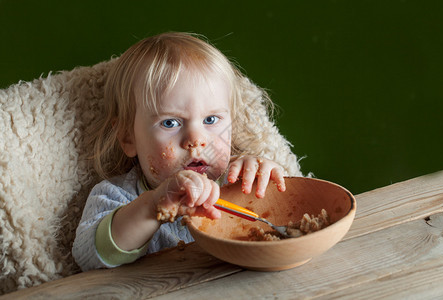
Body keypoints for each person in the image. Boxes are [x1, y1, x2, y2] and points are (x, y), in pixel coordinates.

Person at [72, 32, 297, 271]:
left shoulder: (239, 181)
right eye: (170, 123)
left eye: (211, 119)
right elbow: (88, 257)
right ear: (129, 138)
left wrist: (267, 179)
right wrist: (155, 205)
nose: (196, 140)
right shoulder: (117, 196)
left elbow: (286, 223)